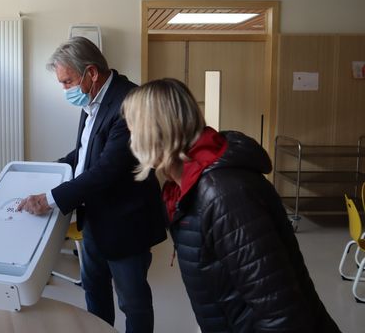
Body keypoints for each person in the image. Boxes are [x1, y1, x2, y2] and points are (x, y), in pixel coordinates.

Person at [121, 78, 340, 332]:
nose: (131, 140)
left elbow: (281, 312)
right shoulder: (184, 187)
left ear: (156, 131)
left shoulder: (223, 194)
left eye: (133, 129)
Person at [17, 36, 167, 332]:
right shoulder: (93, 101)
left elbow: (107, 169)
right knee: (94, 292)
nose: (65, 89)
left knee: (132, 301)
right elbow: (83, 154)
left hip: (126, 221)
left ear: (92, 73)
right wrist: (45, 172)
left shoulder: (129, 102)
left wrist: (49, 198)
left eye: (67, 81)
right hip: (96, 218)